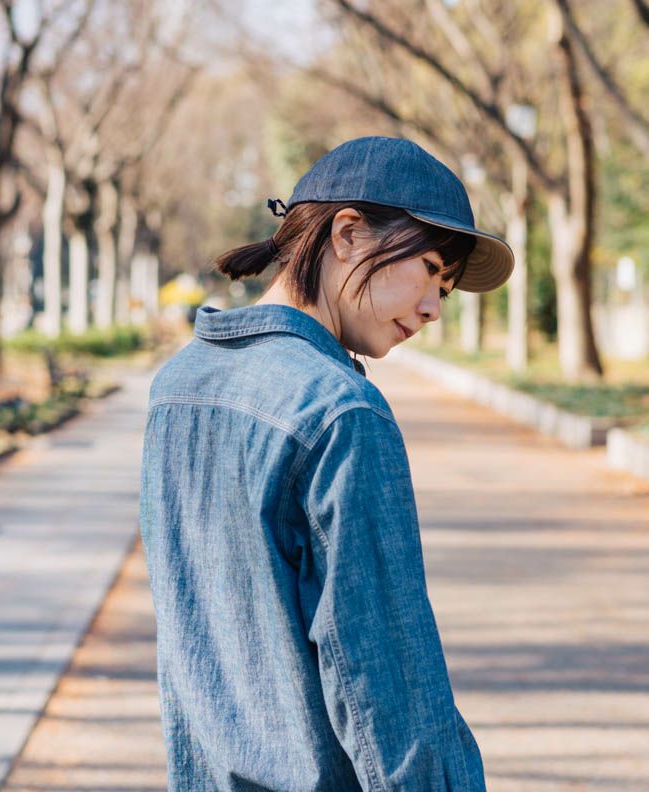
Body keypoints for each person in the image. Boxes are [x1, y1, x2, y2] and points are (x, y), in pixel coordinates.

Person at [139, 135, 514, 791]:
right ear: (347, 234)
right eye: (430, 268)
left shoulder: (177, 385)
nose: (433, 307)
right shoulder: (342, 412)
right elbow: (386, 683)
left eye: (447, 290)